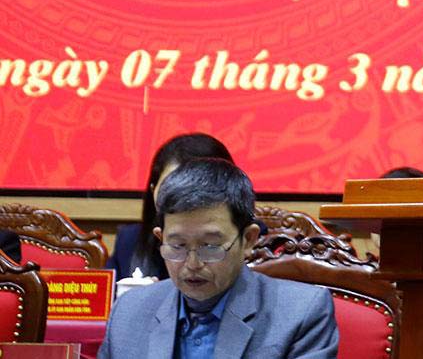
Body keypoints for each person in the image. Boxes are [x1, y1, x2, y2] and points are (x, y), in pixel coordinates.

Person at [98, 158, 338, 358]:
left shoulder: (301, 312)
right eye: (178, 246)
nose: (192, 264)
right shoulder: (128, 313)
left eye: (210, 246)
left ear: (249, 239)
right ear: (160, 238)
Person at [108, 133, 235, 281]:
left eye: (197, 190)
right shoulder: (129, 241)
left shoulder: (258, 244)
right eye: (170, 190)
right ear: (153, 190)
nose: (184, 201)